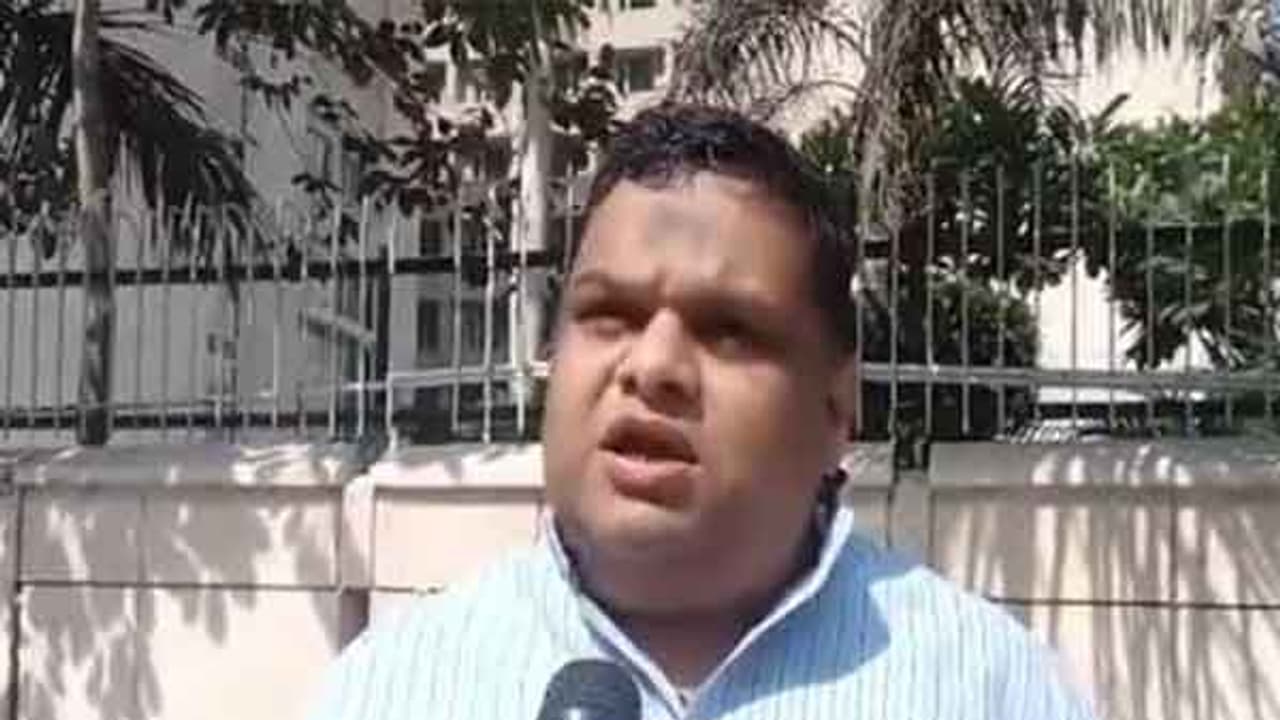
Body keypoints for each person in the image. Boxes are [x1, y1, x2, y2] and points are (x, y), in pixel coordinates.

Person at [308, 103, 1095, 720]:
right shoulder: (390, 690)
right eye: (608, 315)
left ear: (836, 405)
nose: (652, 367)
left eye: (729, 330)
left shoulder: (989, 689)